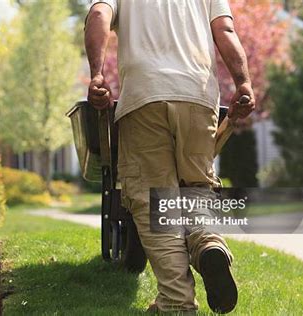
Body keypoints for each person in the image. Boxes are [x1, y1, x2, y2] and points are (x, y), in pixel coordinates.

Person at [85, 0, 255, 314]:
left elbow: (98, 14)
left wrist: (96, 75)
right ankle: (208, 243)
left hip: (144, 95)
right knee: (196, 187)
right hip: (197, 94)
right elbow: (225, 29)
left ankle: (176, 301)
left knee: (153, 200)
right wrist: (243, 82)